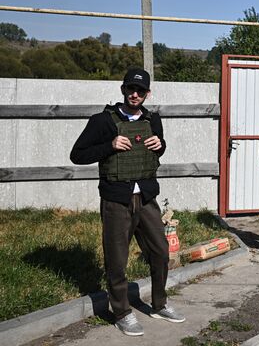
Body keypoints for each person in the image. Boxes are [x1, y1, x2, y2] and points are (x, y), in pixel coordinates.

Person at [70, 68, 185, 336]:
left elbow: (156, 152)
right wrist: (109, 145)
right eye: (131, 89)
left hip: (146, 198)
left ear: (147, 94)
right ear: (123, 90)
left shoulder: (153, 120)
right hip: (116, 201)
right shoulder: (102, 121)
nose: (135, 94)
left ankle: (159, 304)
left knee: (160, 252)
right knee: (117, 260)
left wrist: (161, 144)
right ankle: (122, 312)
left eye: (141, 91)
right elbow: (77, 155)